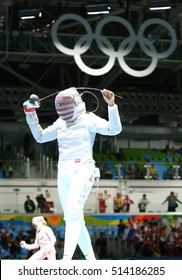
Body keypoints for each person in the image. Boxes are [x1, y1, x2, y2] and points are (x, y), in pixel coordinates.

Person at [23, 87, 122, 260]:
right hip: (64, 171)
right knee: (75, 217)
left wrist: (111, 106)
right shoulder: (60, 123)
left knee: (72, 213)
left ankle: (66, 259)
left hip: (83, 168)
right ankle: (91, 261)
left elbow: (114, 129)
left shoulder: (88, 119)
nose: (65, 109)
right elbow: (40, 136)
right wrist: (30, 114)